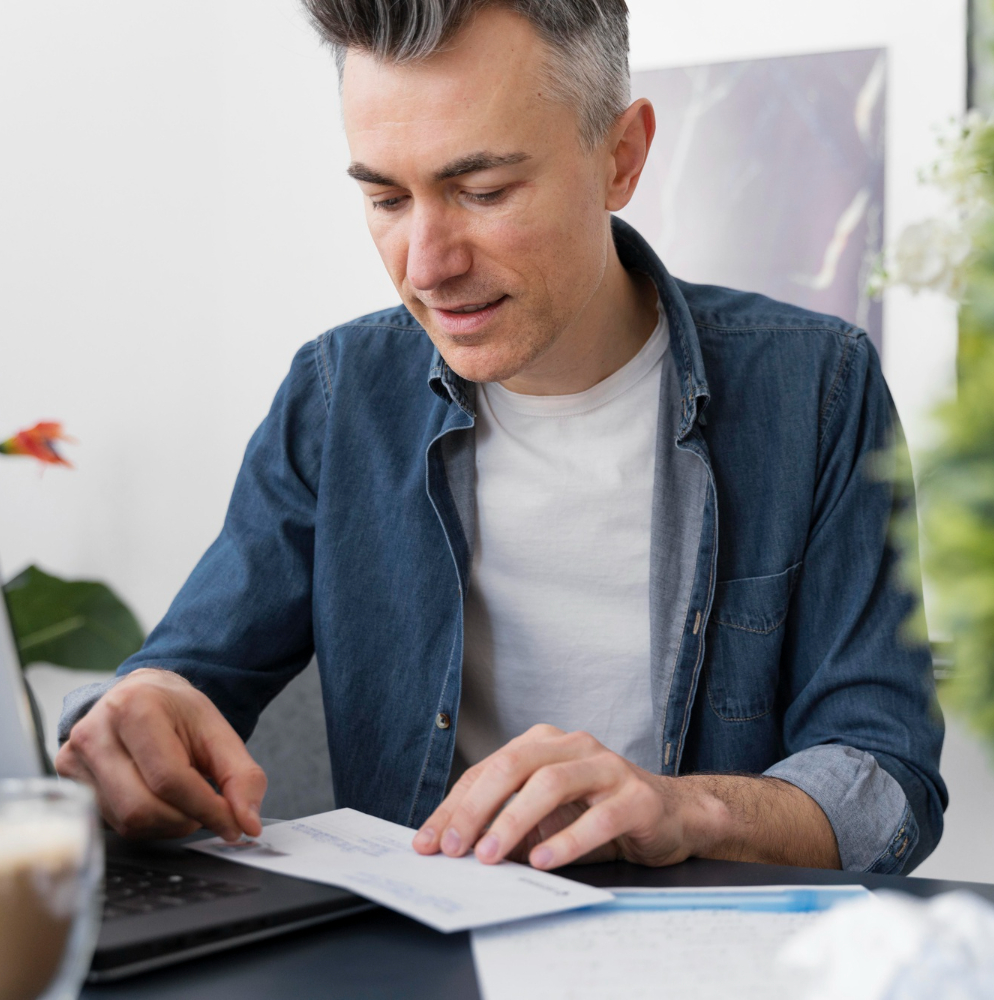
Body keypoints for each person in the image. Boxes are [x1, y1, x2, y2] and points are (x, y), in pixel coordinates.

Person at [56, 0, 945, 876]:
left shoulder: (817, 386)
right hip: (413, 948)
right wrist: (143, 710)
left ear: (621, 158)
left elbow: (886, 780)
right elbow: (183, 678)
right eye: (386, 197)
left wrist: (682, 809)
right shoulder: (337, 394)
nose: (426, 266)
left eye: (482, 192)